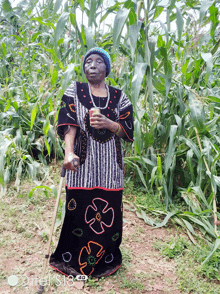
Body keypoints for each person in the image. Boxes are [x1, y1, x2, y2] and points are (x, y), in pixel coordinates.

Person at [50, 47, 134, 278]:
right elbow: (69, 124)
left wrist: (108, 122)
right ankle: (72, 259)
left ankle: (105, 259)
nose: (92, 65)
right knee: (78, 211)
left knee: (108, 213)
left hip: (110, 166)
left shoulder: (119, 97)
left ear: (107, 68)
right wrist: (68, 154)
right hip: (82, 164)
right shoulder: (74, 91)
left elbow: (128, 131)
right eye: (88, 62)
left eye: (98, 61)